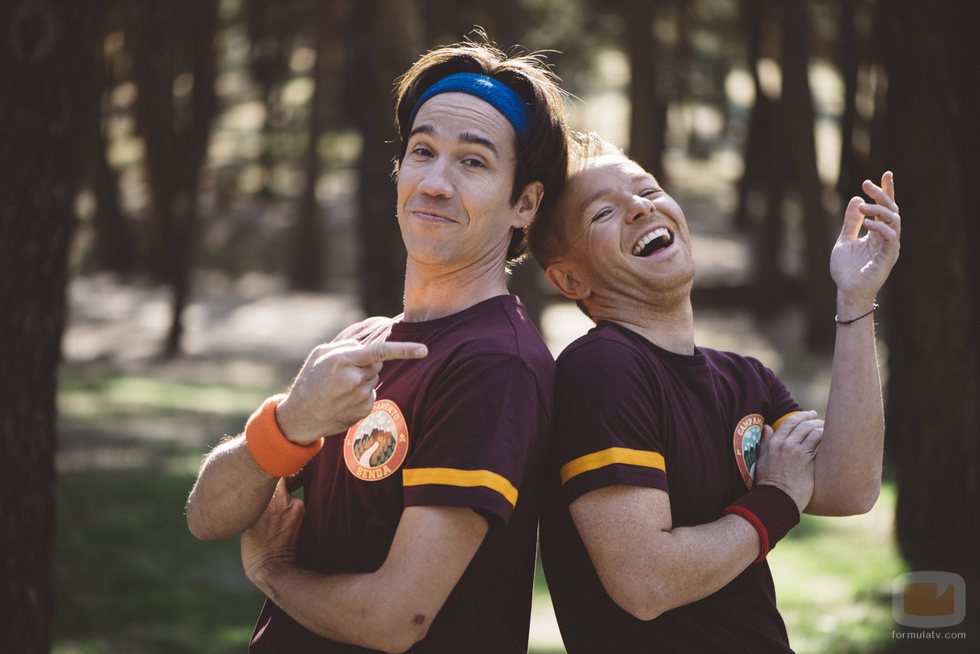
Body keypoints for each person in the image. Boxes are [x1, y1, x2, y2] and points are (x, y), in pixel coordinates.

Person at [185, 39, 569, 653]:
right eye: (423, 152)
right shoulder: (359, 343)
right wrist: (289, 424)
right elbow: (207, 516)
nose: (436, 183)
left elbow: (396, 619)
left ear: (524, 202)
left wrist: (272, 572)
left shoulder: (497, 363)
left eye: (473, 162)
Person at [527, 132, 900, 652]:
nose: (639, 207)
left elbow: (849, 488)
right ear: (570, 281)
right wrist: (775, 500)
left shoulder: (744, 378)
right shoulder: (602, 370)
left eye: (649, 191)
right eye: (602, 213)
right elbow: (646, 582)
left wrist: (855, 299)